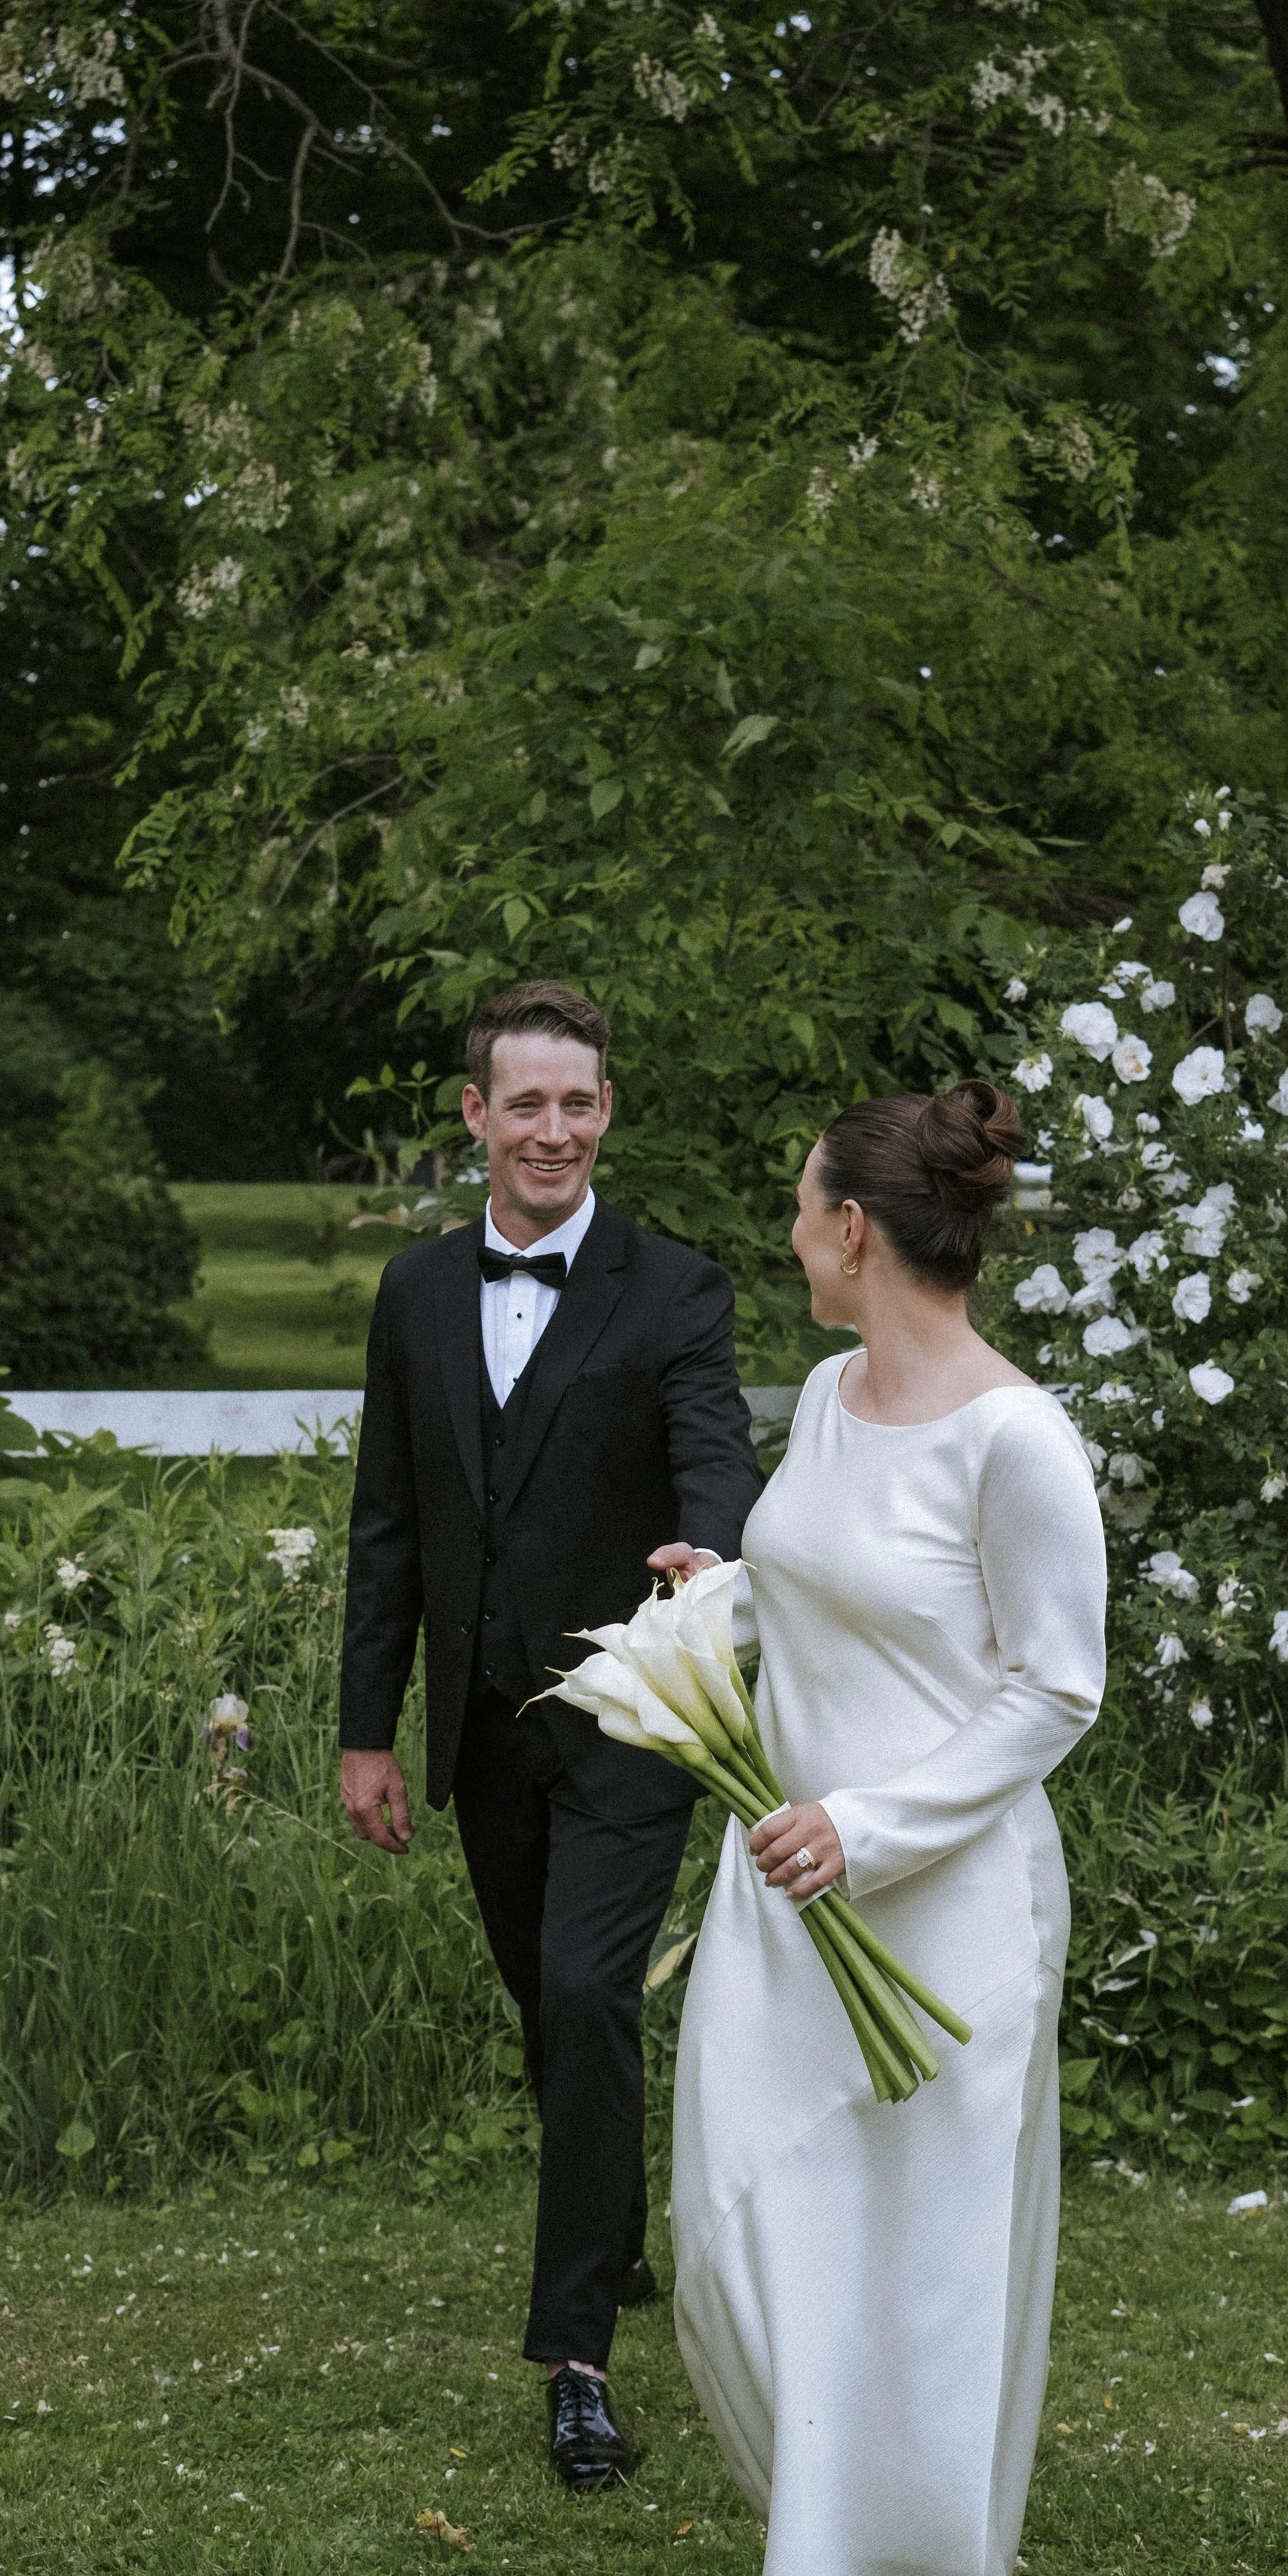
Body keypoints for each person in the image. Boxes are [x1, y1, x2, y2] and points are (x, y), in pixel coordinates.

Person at [664, 1080, 1106, 2576]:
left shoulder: (1015, 1438)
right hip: (785, 1884)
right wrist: (713, 1608)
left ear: (855, 1230)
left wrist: (868, 1828)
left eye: (799, 1210)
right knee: (755, 2211)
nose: (788, 1237)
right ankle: (844, 2537)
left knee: (917, 2259)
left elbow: (1055, 1687)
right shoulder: (835, 1397)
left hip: (943, 1903)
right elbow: (832, 1590)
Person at [338, 979, 762, 2492]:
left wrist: (706, 1556)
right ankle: (611, 2229)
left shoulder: (675, 1291)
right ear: (475, 1116)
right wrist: (363, 1732)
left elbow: (713, 1450)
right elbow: (386, 1524)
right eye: (525, 1102)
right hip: (479, 1733)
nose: (552, 1130)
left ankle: (574, 2356)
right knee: (548, 2004)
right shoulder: (413, 1293)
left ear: (605, 1116)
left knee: (588, 1995)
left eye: (577, 1104)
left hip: (628, 1717)